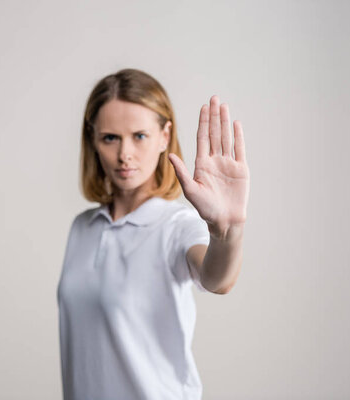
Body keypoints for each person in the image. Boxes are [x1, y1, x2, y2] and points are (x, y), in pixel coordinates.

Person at [57, 68, 250, 400]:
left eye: (140, 136)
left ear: (164, 136)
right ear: (93, 140)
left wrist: (226, 232)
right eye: (110, 138)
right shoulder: (83, 228)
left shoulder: (175, 225)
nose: (124, 154)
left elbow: (217, 278)